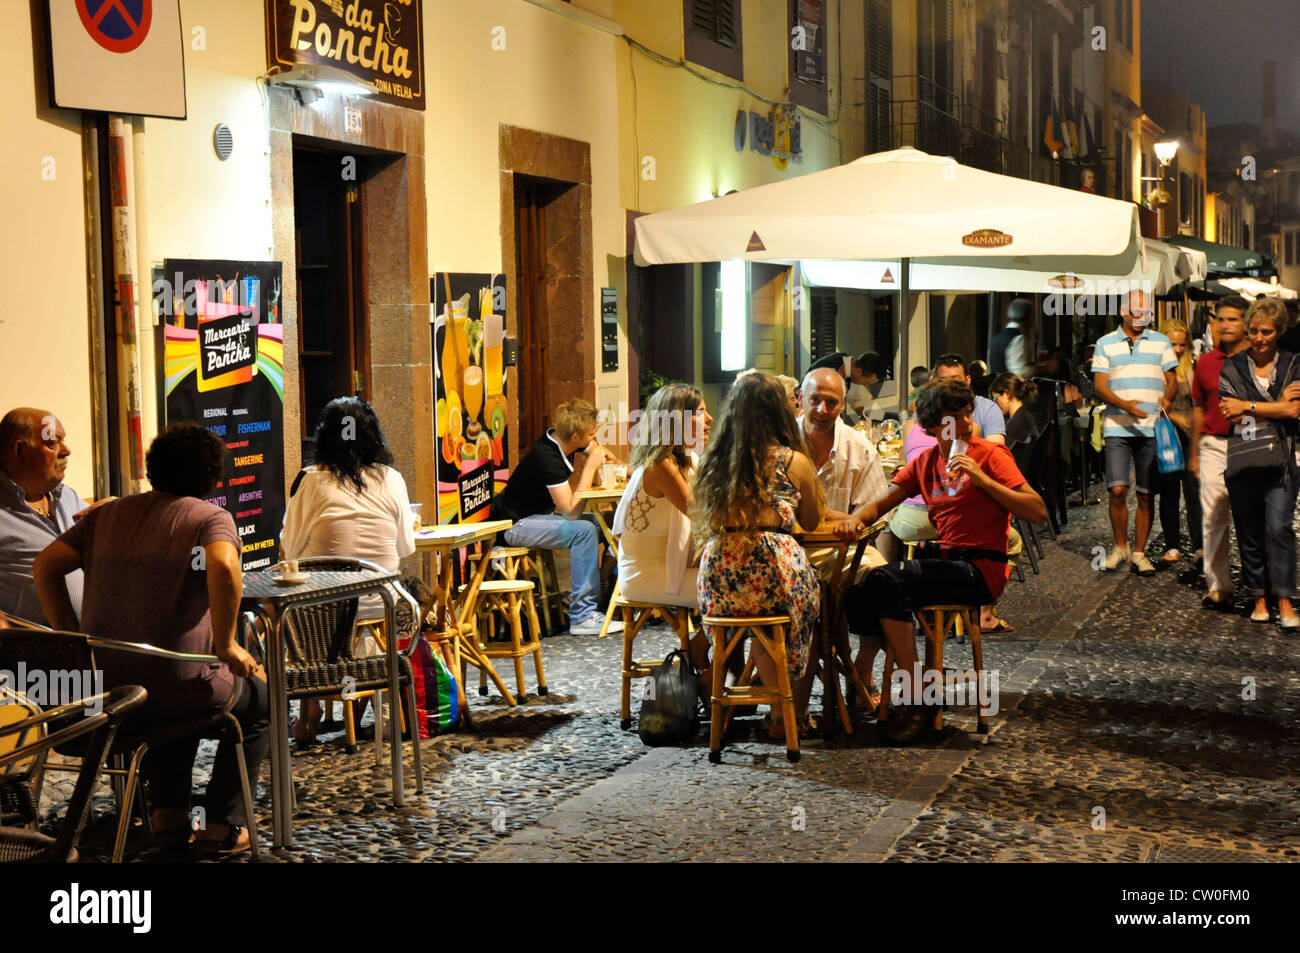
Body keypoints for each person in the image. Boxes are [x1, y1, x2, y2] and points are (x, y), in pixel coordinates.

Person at [33, 423, 268, 854]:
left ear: (151, 468)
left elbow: (46, 565)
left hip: (105, 690)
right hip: (173, 688)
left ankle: (169, 819)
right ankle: (222, 826)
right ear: (213, 477)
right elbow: (224, 566)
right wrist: (228, 645)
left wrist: (70, 636)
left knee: (172, 696)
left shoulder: (107, 514)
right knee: (261, 701)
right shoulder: (210, 518)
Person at [839, 381, 1045, 743]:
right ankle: (870, 680)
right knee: (859, 590)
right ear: (934, 425)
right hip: (945, 564)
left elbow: (1037, 511)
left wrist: (982, 480)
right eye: (955, 417)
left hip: (979, 569)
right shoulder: (927, 462)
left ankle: (918, 694)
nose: (966, 423)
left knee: (887, 581)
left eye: (967, 414)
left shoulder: (989, 456)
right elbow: (879, 505)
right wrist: (855, 519)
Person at [694, 371, 822, 739]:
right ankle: (786, 713)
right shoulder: (792, 461)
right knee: (807, 613)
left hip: (720, 579)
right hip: (774, 572)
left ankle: (735, 702)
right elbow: (811, 522)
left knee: (760, 624)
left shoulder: (713, 462)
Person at [281, 396, 416, 740]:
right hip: (382, 607)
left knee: (298, 604)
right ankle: (378, 703)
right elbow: (406, 547)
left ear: (324, 437)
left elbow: (290, 550)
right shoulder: (392, 479)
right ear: (374, 436)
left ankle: (309, 709)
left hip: (322, 618)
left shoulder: (309, 482)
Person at [493, 399, 624, 635]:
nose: (595, 438)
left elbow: (603, 454)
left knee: (607, 521)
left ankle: (611, 589)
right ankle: (582, 615)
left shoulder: (564, 439)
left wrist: (632, 471)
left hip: (538, 517)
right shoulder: (548, 457)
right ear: (576, 437)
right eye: (592, 434)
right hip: (516, 524)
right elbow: (571, 512)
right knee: (584, 530)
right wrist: (589, 469)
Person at [797, 368, 889, 699]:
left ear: (841, 407)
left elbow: (878, 513)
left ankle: (863, 665)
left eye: (830, 403)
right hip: (791, 550)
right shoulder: (780, 444)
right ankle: (787, 695)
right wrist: (838, 516)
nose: (821, 410)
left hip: (843, 550)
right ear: (800, 400)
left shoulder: (859, 448)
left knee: (884, 581)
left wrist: (842, 521)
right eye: (815, 400)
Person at [1217, 298, 1300, 628]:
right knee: (1249, 530)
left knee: (1278, 527)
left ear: (1279, 332)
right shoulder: (1232, 366)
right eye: (1253, 331)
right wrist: (1274, 406)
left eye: (1266, 331)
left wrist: (1247, 405)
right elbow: (1228, 410)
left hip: (1282, 462)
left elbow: (1294, 411)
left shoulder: (1294, 364)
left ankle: (1285, 599)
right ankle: (1259, 598)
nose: (1259, 338)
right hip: (1244, 459)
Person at [1091, 290, 1178, 576]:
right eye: (1135, 310)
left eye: (1145, 310)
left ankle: (1139, 553)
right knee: (1116, 489)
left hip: (1151, 428)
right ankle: (1120, 546)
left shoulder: (1161, 341)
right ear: (1123, 311)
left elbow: (1172, 379)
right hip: (1117, 426)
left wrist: (1167, 399)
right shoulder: (1105, 343)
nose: (1141, 315)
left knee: (1145, 493)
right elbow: (1100, 386)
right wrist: (1126, 405)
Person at [614, 384, 711, 612]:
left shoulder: (686, 459)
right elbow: (702, 515)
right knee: (738, 588)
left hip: (668, 569)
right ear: (677, 421)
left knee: (742, 580)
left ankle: (703, 646)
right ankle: (701, 647)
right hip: (646, 575)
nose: (710, 418)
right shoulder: (661, 464)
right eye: (699, 413)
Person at [0, 408, 90, 625]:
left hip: (101, 643)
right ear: (20, 450)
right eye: (53, 444)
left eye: (64, 441)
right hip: (37, 652)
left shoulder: (67, 496)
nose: (66, 451)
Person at [1189, 294, 1251, 609]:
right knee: (1214, 515)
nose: (1224, 325)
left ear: (1246, 323)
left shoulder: (1259, 359)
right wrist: (1195, 452)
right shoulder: (1205, 362)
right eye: (1220, 318)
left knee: (1253, 517)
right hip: (1214, 443)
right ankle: (1219, 586)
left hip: (1250, 443)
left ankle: (1260, 586)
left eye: (1232, 319)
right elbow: (1198, 408)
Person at [1154, 318, 1203, 565]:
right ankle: (1172, 544)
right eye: (1172, 344)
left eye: (1182, 344)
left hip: (1191, 438)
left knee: (1194, 492)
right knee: (1170, 492)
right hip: (1167, 437)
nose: (1178, 349)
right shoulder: (1155, 369)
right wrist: (1176, 418)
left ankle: (1199, 545)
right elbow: (1152, 403)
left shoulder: (1190, 366)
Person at [933, 354, 1006, 445]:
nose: (950, 386)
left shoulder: (987, 409)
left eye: (956, 380)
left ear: (968, 379)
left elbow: (996, 451)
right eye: (943, 381)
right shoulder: (930, 410)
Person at [988, 373, 1040, 474]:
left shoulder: (1018, 423)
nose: (995, 404)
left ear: (1007, 394)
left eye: (995, 398)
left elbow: (1000, 458)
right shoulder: (1024, 415)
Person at [989, 298, 1035, 378]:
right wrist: (1039, 368)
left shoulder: (997, 338)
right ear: (1027, 318)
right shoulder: (1017, 338)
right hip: (1010, 388)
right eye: (1032, 317)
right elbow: (1020, 372)